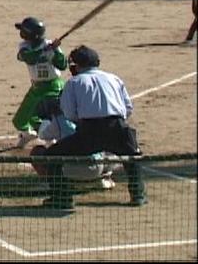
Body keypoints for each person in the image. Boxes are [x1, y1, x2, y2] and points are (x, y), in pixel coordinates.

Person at [41, 45, 147, 210]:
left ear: (76, 65)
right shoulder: (114, 78)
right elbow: (128, 108)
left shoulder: (74, 82)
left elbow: (69, 113)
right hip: (118, 127)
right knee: (133, 158)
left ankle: (62, 198)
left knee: (52, 156)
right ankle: (138, 195)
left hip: (90, 130)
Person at [30, 97, 117, 190]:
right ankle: (102, 179)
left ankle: (52, 183)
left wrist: (45, 123)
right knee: (109, 148)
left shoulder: (59, 121)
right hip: (100, 166)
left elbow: (43, 135)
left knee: (39, 152)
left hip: (81, 167)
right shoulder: (85, 115)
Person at [12, 17, 68, 148]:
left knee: (48, 118)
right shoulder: (25, 47)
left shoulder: (50, 46)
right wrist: (44, 50)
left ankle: (52, 142)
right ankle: (28, 134)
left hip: (53, 87)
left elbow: (63, 65)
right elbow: (28, 58)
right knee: (20, 120)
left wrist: (55, 52)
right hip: (36, 88)